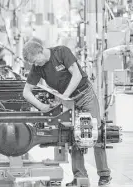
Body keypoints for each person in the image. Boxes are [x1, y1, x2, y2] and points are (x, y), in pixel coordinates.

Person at [22, 41, 112, 186]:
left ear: (40, 52)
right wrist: (41, 106)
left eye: (35, 61)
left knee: (96, 132)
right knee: (73, 135)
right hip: (68, 101)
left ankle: (104, 175)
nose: (36, 65)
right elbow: (26, 92)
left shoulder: (61, 52)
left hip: (85, 94)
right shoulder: (37, 68)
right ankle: (80, 177)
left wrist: (64, 96)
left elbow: (76, 75)